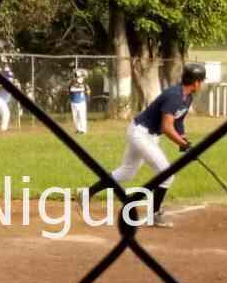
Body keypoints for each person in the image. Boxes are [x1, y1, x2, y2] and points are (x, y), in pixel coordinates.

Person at [77, 62, 205, 228]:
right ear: (195, 82)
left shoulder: (187, 97)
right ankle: (155, 214)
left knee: (127, 172)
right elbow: (167, 128)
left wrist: (184, 142)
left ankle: (86, 194)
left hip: (146, 134)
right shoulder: (174, 95)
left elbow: (177, 122)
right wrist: (184, 144)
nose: (202, 84)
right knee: (167, 174)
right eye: (201, 81)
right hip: (141, 134)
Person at [68, 68, 90, 134]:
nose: (75, 78)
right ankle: (78, 129)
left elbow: (88, 91)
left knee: (82, 116)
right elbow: (69, 91)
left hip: (81, 102)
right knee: (75, 117)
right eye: (75, 77)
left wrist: (87, 97)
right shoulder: (71, 84)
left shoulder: (84, 85)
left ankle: (83, 130)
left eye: (77, 77)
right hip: (73, 102)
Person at [0, 67, 13, 132]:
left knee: (6, 113)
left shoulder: (10, 80)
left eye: (10, 76)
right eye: (8, 76)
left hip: (3, 101)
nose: (10, 78)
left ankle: (3, 128)